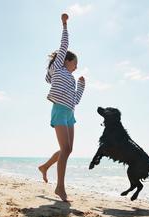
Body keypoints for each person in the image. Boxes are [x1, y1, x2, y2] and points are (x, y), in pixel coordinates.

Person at [39, 13, 85, 202]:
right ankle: (60, 187)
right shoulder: (58, 68)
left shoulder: (72, 78)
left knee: (68, 149)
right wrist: (64, 25)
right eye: (75, 63)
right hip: (59, 110)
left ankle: (45, 167)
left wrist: (82, 86)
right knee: (65, 149)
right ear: (66, 60)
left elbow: (75, 100)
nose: (76, 67)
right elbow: (64, 45)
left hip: (70, 113)